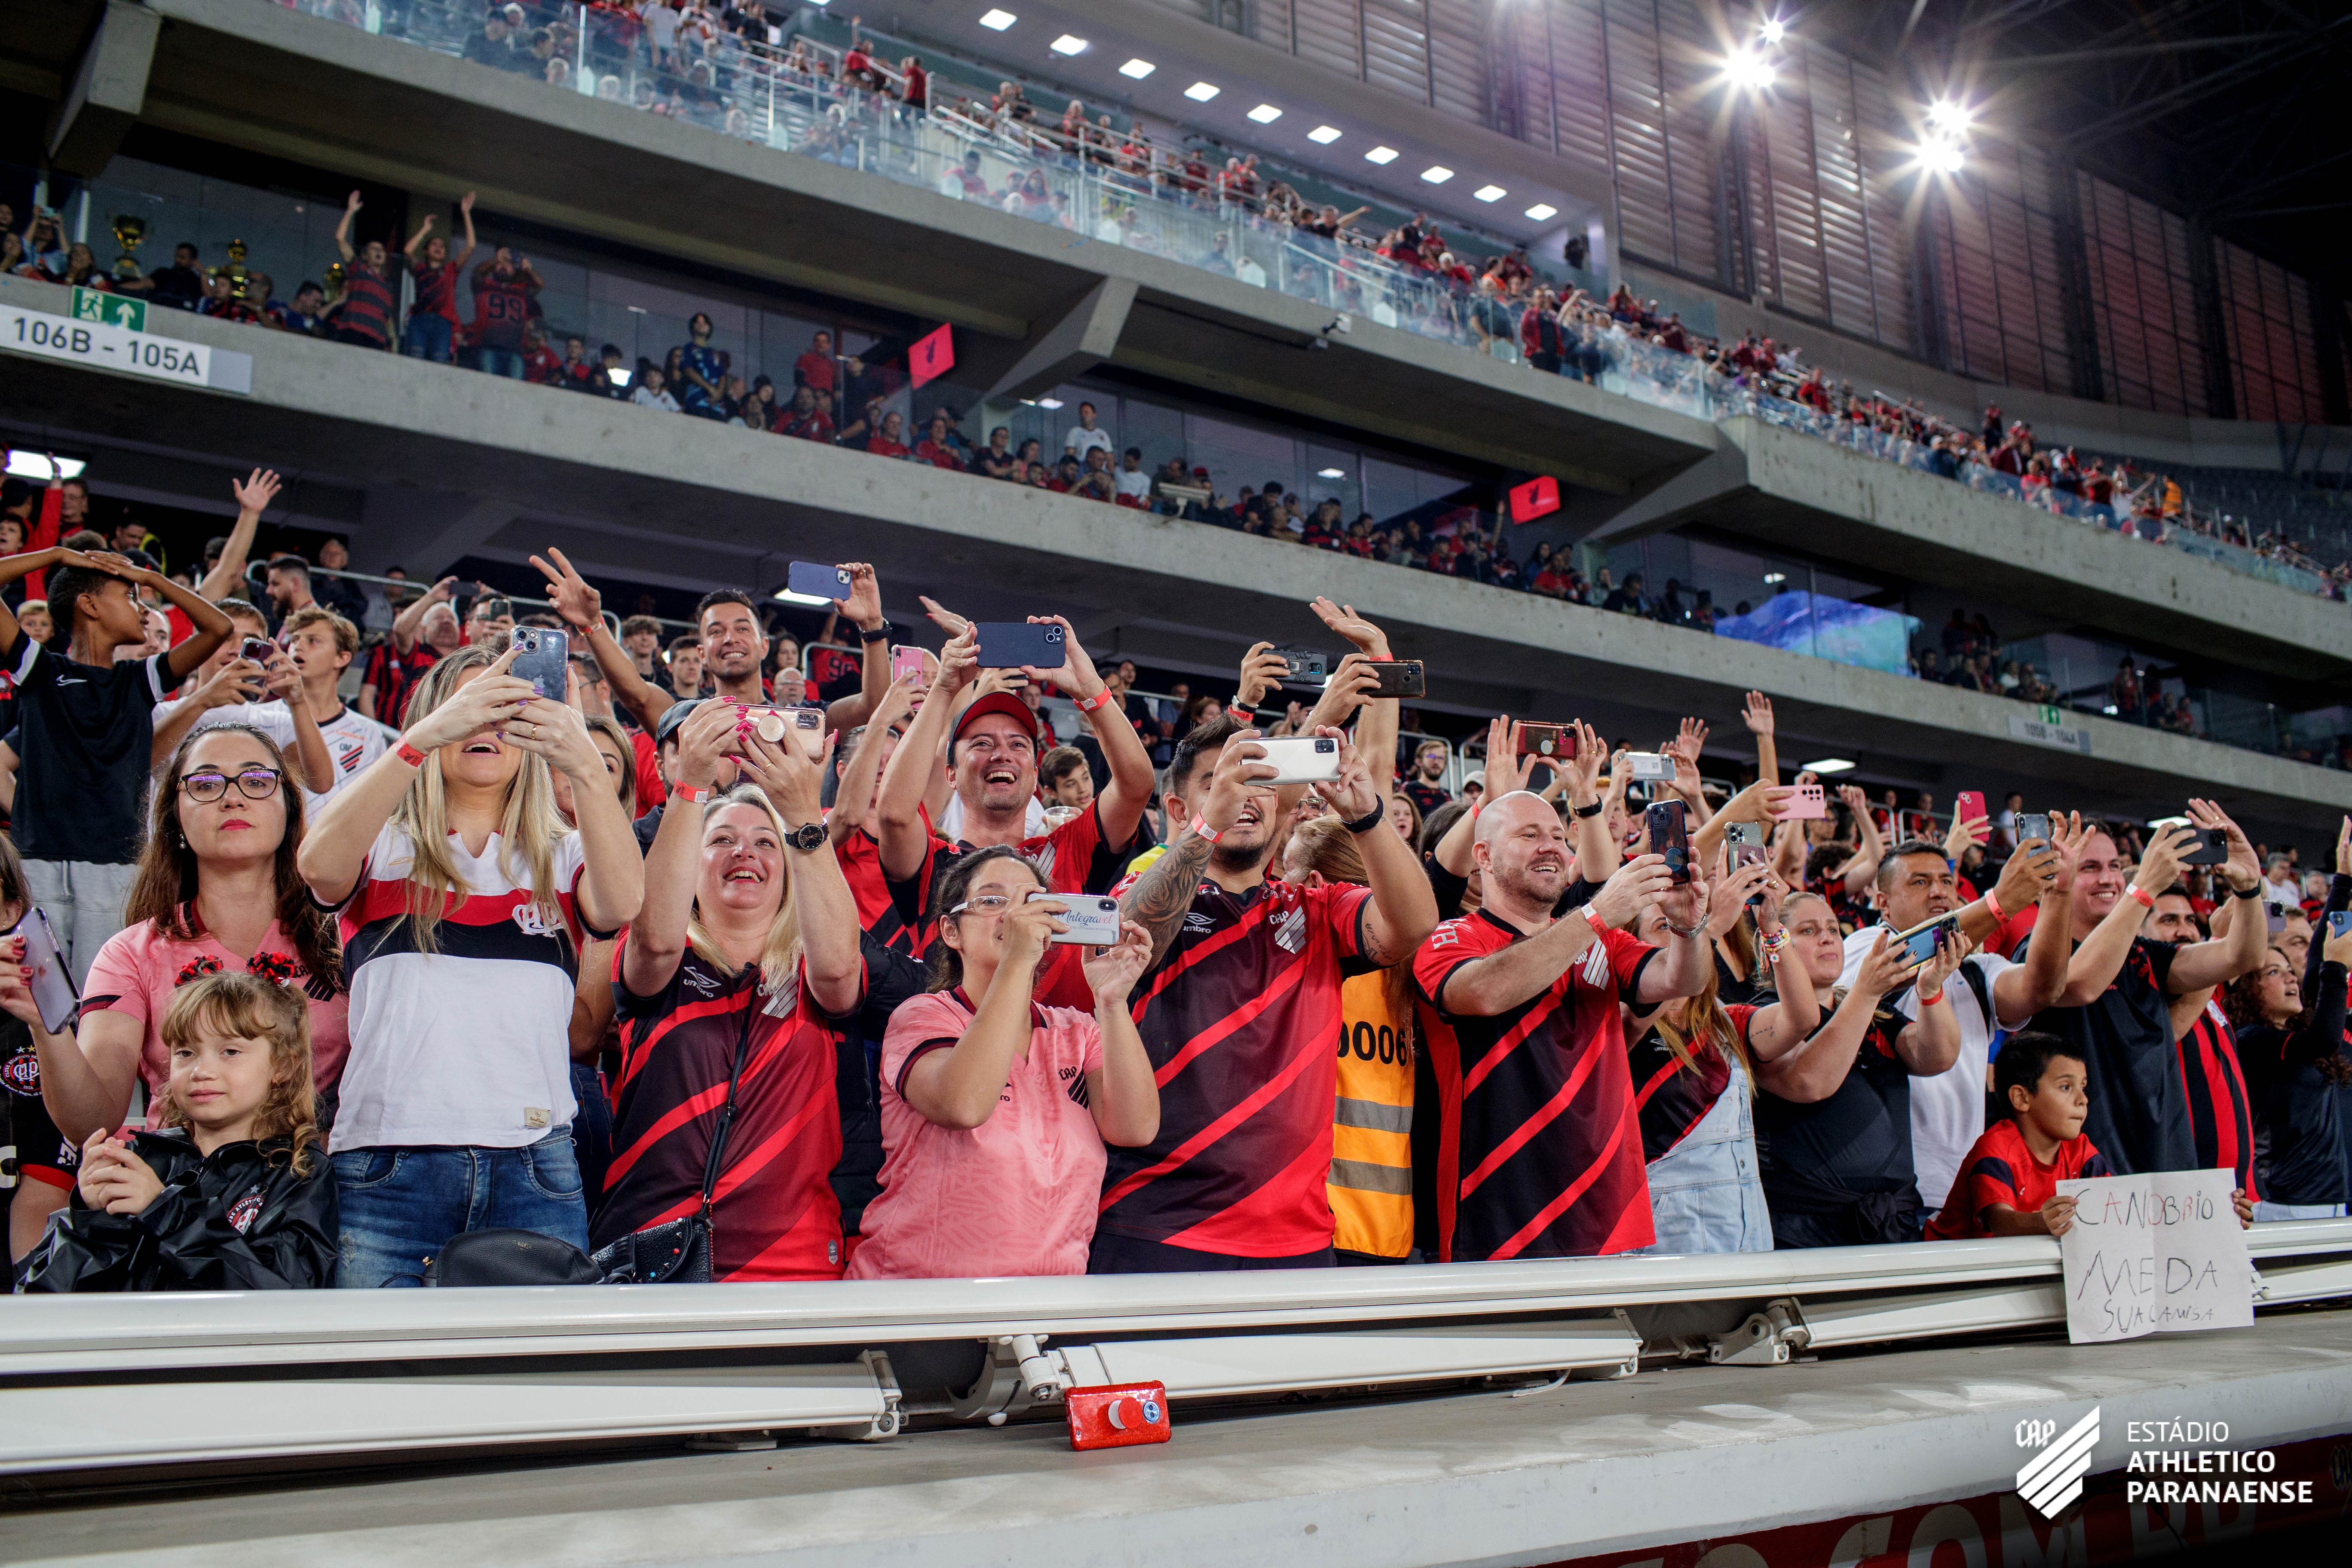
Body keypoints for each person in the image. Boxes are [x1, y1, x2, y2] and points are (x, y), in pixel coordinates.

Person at [297, 643, 644, 1286]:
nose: (485, 724)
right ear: (436, 717)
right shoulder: (381, 842)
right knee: (378, 1355)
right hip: (386, 1164)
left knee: (536, 1355)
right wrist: (418, 741)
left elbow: (623, 903)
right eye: (469, 704)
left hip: (535, 1168)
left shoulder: (564, 854)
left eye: (505, 709)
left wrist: (581, 760)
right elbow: (317, 865)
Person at [1094, 697, 1436, 1273]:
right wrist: (1207, 827)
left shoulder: (1319, 908)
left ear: (1281, 803)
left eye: (1260, 782)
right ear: (1179, 808)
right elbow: (1127, 934)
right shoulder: (1144, 891)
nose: (1244, 795)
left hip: (1298, 1240)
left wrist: (1367, 815)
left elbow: (1414, 925)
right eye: (1220, 782)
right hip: (1157, 1228)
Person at [592, 705, 919, 1278]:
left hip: (790, 1255)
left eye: (766, 843)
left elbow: (840, 972)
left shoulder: (815, 962)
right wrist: (690, 787)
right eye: (722, 840)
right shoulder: (657, 954)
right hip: (651, 1249)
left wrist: (802, 812)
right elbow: (656, 944)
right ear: (689, 868)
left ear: (790, 871)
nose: (744, 852)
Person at [846, 847, 1158, 1278]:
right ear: (951, 931)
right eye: (993, 900)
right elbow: (963, 1106)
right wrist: (1017, 960)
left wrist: (1111, 1001)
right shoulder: (923, 1016)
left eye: (1031, 902)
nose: (1015, 916)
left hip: (1052, 1298)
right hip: (920, 1294)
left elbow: (1135, 1128)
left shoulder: (1078, 1030)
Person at [1413, 793, 1699, 1262]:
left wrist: (1688, 928)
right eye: (1529, 835)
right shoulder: (1452, 937)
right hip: (1496, 1216)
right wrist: (1596, 915)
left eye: (1558, 837)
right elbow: (1483, 992)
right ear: (1483, 856)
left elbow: (1681, 979)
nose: (1551, 847)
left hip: (1609, 1213)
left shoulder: (1604, 941)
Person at [873, 615, 1156, 1013]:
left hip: (1068, 1052)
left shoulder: (1069, 849)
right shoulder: (933, 866)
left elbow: (1136, 786)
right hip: (959, 1046)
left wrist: (1090, 689)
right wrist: (944, 689)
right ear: (951, 774)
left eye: (1019, 744)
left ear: (1035, 775)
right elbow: (894, 814)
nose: (1002, 754)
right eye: (982, 743)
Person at [1, 537, 235, 981]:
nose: (143, 609)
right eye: (129, 596)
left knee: (99, 995)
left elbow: (218, 628)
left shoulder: (140, 678)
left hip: (116, 865)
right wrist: (57, 555)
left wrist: (147, 577)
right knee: (35, 997)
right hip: (37, 861)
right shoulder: (39, 669)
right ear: (89, 605)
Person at [14, 972, 338, 1291]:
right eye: (185, 1053)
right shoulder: (138, 1160)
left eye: (230, 1052)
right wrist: (90, 1219)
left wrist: (165, 1212)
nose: (201, 1071)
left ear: (283, 1066)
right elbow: (38, 1293)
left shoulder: (299, 1171)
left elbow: (280, 1294)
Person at [1833, 830, 2079, 1214]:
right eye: (1920, 882)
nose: (1938, 892)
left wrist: (2059, 896)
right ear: (1883, 904)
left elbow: (2042, 989)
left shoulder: (1979, 969)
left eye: (1946, 881)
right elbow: (1903, 960)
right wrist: (2000, 903)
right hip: (1885, 1193)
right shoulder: (1865, 947)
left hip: (1963, 1190)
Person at [2015, 808, 2266, 1174]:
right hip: (2086, 1171)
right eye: (2090, 868)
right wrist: (2144, 886)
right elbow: (2081, 986)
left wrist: (2249, 888)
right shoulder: (2036, 956)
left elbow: (2242, 956)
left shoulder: (2144, 955)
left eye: (2115, 866)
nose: (2108, 878)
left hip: (2166, 1165)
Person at [1625, 859, 1819, 1254]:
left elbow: (1802, 1018)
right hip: (1666, 1241)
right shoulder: (1623, 1022)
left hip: (1744, 1227)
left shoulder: (1727, 1022)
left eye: (1684, 925)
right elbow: (1667, 985)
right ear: (1633, 950)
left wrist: (1771, 927)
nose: (1680, 932)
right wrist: (1706, 928)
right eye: (1665, 926)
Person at [1752, 896, 1968, 1246]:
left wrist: (1930, 990)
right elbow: (1808, 1082)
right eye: (1808, 931)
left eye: (1833, 929)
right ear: (1771, 949)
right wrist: (1865, 993)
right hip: (1807, 1228)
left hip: (1892, 1220)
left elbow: (1936, 1057)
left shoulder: (1875, 1011)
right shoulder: (1761, 1016)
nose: (1827, 938)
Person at [1922, 1034, 2114, 1241]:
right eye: (2066, 1087)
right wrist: (2042, 1222)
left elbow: (2114, 1206)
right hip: (1945, 1258)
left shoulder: (2081, 1149)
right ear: (2021, 1098)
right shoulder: (1996, 1147)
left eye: (2083, 1087)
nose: (2083, 1099)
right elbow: (2000, 1223)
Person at [2227, 928, 2352, 1220]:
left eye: (2290, 970)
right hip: (2284, 1204)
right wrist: (2337, 968)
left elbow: (2317, 965)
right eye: (2273, 972)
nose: (2291, 978)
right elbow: (2324, 1040)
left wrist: (2341, 896)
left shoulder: (2294, 1034)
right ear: (2248, 989)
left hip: (2331, 1200)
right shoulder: (2251, 1039)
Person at [399, 191, 478, 363]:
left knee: (438, 364)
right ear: (426, 251)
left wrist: (466, 214)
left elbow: (471, 246)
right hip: (419, 320)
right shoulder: (420, 268)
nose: (439, 247)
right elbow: (408, 251)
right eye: (434, 244)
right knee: (414, 362)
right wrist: (425, 230)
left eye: (442, 246)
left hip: (442, 323)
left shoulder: (451, 270)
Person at [329, 192, 397, 350]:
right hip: (353, 332)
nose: (379, 252)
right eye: (374, 249)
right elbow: (340, 238)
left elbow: (388, 319)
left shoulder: (388, 286)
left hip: (377, 340)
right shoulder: (359, 269)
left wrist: (394, 346)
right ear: (365, 255)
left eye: (381, 250)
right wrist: (350, 211)